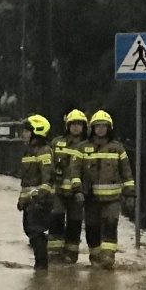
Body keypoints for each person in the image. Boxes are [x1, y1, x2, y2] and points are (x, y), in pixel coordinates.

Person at [75, 109, 134, 269]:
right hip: (90, 199)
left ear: (109, 128)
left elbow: (127, 172)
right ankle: (95, 258)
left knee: (110, 225)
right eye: (97, 126)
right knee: (92, 228)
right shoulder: (82, 148)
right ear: (92, 128)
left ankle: (108, 259)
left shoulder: (118, 148)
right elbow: (75, 171)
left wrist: (130, 194)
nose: (101, 129)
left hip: (112, 199)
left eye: (104, 126)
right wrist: (78, 190)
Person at [18, 114, 56, 270]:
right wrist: (22, 198)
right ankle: (41, 264)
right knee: (30, 232)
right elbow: (26, 181)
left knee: (35, 232)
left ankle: (41, 267)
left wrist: (38, 196)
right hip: (30, 201)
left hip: (40, 201)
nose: (23, 134)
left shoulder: (43, 151)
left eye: (27, 131)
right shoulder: (29, 151)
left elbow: (48, 178)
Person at [49, 109, 88, 263]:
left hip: (77, 193)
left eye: (79, 124)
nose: (76, 127)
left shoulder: (87, 145)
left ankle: (71, 256)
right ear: (67, 125)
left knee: (74, 224)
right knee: (56, 220)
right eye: (73, 124)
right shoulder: (57, 143)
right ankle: (54, 255)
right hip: (58, 191)